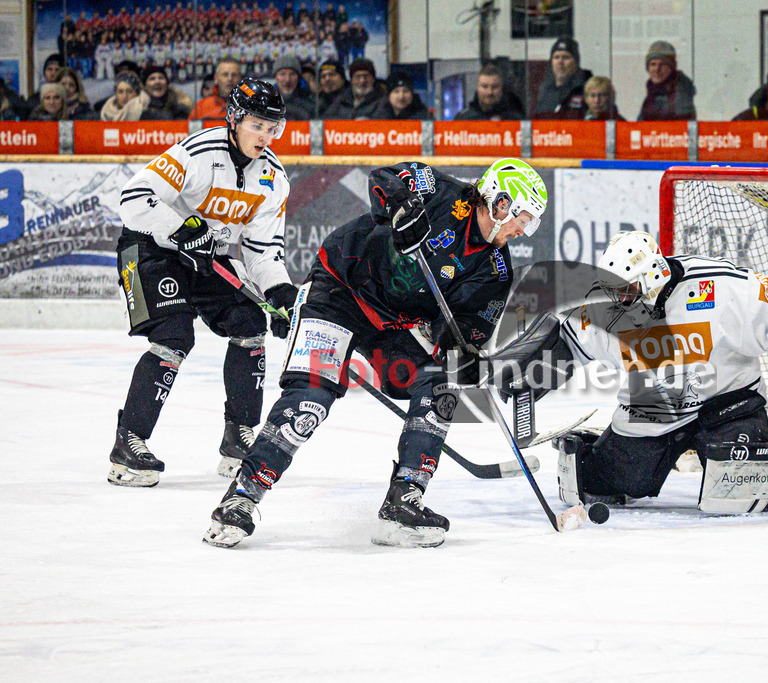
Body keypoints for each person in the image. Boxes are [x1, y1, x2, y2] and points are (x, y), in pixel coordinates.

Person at [203, 157, 549, 549]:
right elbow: (385, 177)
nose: (523, 230)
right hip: (338, 293)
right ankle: (241, 497)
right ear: (501, 203)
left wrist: (463, 353)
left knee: (441, 384)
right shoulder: (439, 191)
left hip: (394, 325)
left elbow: (466, 330)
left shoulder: (495, 269)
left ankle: (404, 500)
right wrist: (401, 206)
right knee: (309, 400)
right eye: (524, 218)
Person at [491, 232, 768, 511]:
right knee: (601, 484)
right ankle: (593, 450)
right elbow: (567, 342)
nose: (618, 300)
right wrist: (534, 371)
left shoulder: (722, 288)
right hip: (651, 412)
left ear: (653, 276)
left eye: (627, 290)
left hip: (727, 404)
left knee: (735, 490)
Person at [109, 78, 295, 488]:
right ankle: (128, 442)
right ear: (234, 119)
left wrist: (280, 293)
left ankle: (238, 438)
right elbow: (133, 198)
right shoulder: (198, 152)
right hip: (151, 248)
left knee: (250, 324)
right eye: (257, 125)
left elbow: (263, 250)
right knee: (174, 335)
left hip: (206, 257)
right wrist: (181, 228)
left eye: (273, 128)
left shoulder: (274, 178)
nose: (265, 137)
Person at [637, 40, 696, 121]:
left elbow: (678, 125)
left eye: (662, 64)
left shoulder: (680, 94)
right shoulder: (653, 94)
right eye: (653, 64)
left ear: (671, 68)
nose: (657, 69)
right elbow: (641, 124)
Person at [534, 36, 591, 117]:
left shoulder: (588, 89)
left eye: (565, 57)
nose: (560, 62)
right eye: (556, 57)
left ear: (576, 62)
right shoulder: (545, 90)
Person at [453, 64, 525, 121]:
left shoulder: (514, 120)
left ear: (501, 89)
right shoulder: (463, 119)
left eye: (494, 87)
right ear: (477, 88)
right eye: (485, 87)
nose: (489, 92)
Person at [272, 55, 315, 120]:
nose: (287, 80)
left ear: (298, 77)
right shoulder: (267, 103)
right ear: (275, 77)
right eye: (282, 74)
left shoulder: (310, 104)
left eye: (292, 74)